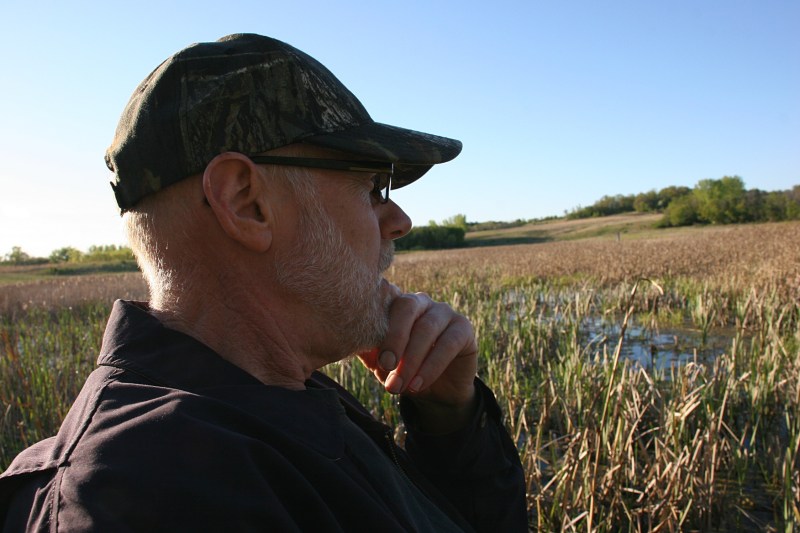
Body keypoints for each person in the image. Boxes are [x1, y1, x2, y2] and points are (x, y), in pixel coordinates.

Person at [0, 33, 527, 532]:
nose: (400, 220)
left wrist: (450, 423)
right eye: (372, 184)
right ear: (246, 202)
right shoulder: (150, 492)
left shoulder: (279, 397)